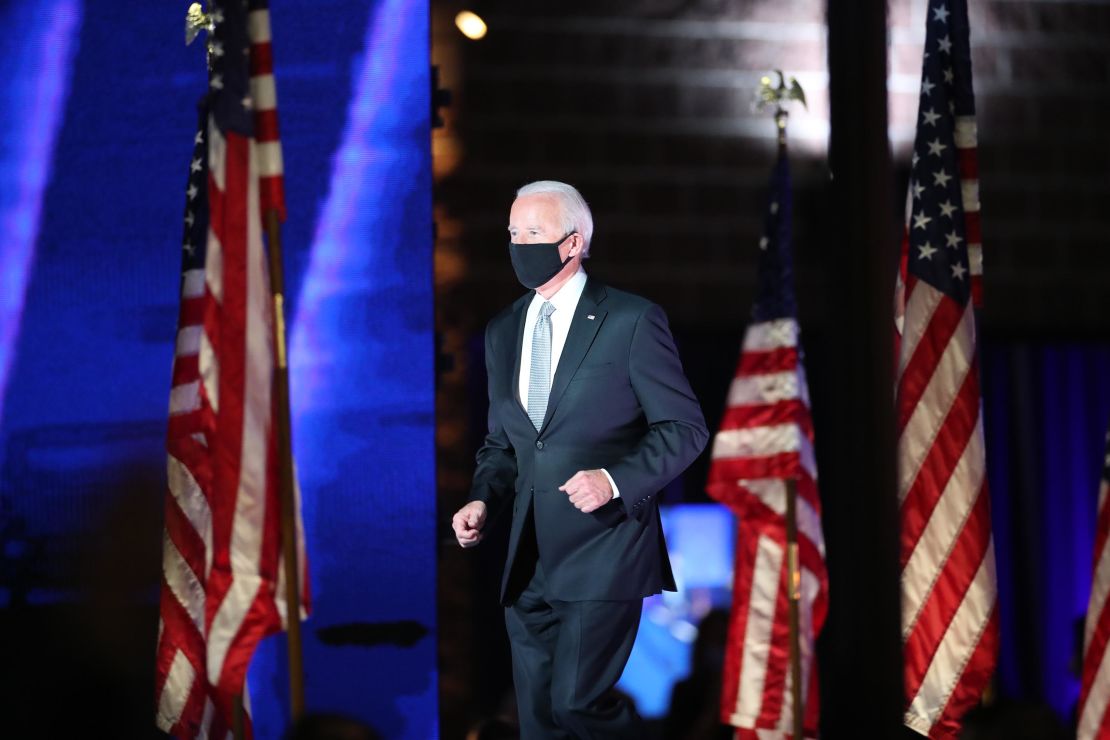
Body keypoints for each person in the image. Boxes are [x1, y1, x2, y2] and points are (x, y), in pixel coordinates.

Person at [451, 180, 708, 738]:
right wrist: (481, 498)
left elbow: (685, 428)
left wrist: (614, 480)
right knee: (539, 722)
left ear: (572, 244)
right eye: (513, 233)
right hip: (527, 559)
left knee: (577, 706)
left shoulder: (629, 321)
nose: (519, 245)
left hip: (603, 548)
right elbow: (505, 444)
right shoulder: (503, 331)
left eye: (533, 233)